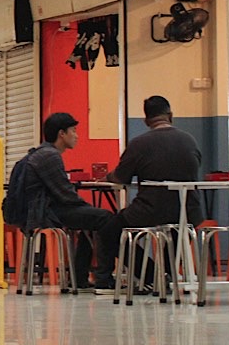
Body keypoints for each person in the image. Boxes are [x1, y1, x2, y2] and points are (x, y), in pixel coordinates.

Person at [94, 96, 203, 294]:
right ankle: (167, 275)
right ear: (170, 116)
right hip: (188, 212)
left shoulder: (139, 144)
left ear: (146, 120)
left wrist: (106, 176)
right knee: (174, 233)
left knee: (109, 230)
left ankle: (149, 276)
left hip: (151, 210)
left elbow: (120, 176)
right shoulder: (190, 140)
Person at [19, 112, 112, 289]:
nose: (76, 136)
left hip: (43, 208)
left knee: (91, 220)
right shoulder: (50, 156)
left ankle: (80, 277)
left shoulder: (41, 153)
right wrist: (86, 206)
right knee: (105, 218)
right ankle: (104, 279)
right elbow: (65, 194)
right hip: (46, 213)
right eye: (74, 131)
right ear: (62, 134)